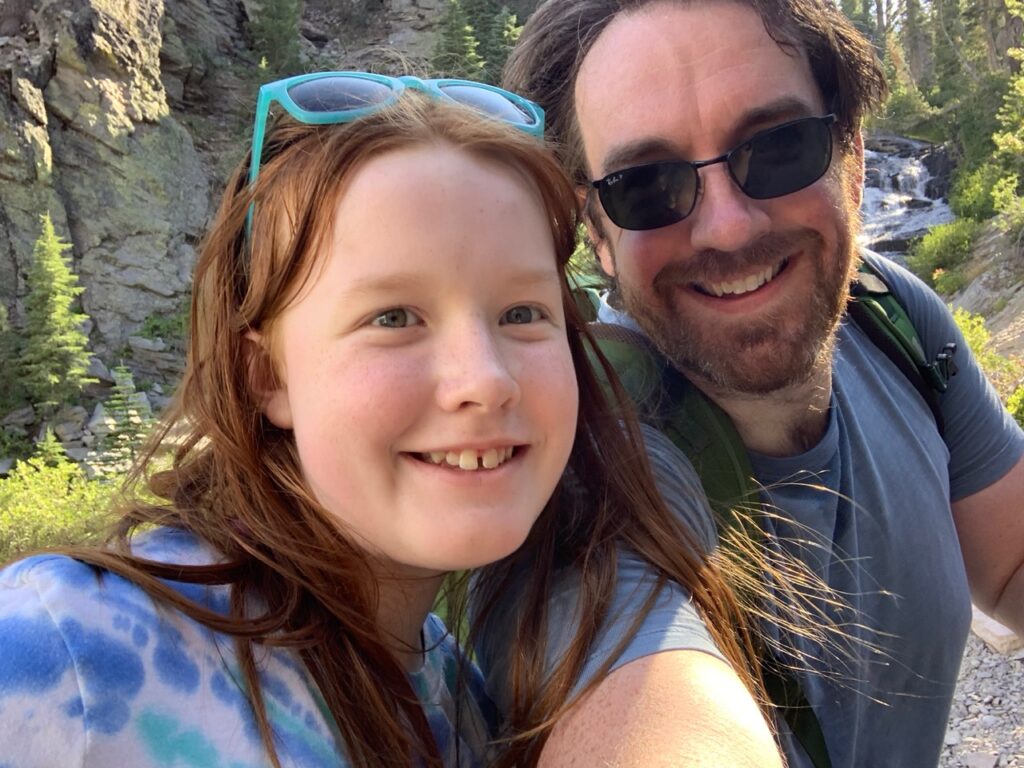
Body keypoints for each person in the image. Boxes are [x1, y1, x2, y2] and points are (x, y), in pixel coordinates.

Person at [0, 73, 782, 767]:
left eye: (522, 311)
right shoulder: (64, 645)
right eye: (395, 316)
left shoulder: (464, 706)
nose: (483, 380)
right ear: (264, 373)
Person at [482, 1, 1024, 767]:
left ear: (854, 158)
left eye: (778, 147)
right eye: (647, 185)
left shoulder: (892, 318)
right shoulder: (579, 459)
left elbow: (1008, 563)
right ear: (596, 233)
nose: (730, 227)